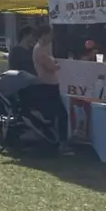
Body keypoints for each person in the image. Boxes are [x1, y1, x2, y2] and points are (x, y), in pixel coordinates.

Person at [31, 25, 73, 155]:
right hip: (47, 86)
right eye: (50, 34)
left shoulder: (45, 48)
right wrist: (55, 64)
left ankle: (52, 143)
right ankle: (61, 144)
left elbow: (53, 63)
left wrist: (54, 63)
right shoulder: (39, 50)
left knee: (53, 116)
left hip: (52, 85)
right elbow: (52, 67)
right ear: (44, 35)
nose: (51, 37)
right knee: (60, 115)